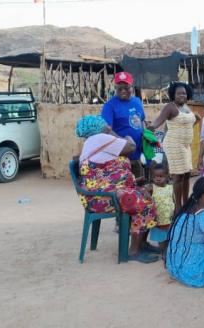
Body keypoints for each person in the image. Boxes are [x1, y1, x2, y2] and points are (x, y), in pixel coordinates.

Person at [75, 115, 158, 264]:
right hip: (103, 198)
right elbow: (131, 147)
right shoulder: (100, 137)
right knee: (141, 200)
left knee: (146, 192)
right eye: (104, 123)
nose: (108, 125)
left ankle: (141, 244)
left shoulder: (92, 141)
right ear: (99, 127)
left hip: (99, 196)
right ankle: (133, 251)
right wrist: (113, 132)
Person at [148, 81, 199, 211]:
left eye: (184, 93)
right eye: (178, 93)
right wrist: (152, 126)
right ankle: (178, 207)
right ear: (173, 95)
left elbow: (190, 121)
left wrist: (194, 122)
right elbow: (159, 120)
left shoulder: (186, 107)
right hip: (173, 144)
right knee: (178, 175)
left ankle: (186, 202)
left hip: (185, 145)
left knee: (187, 174)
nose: (182, 95)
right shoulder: (170, 107)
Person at [101, 72, 146, 179]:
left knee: (139, 186)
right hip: (121, 158)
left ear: (132, 87)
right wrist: (124, 142)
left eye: (126, 87)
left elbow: (142, 120)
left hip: (138, 156)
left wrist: (145, 135)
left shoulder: (137, 102)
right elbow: (106, 130)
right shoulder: (109, 106)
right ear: (115, 88)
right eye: (119, 88)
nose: (123, 91)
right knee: (124, 189)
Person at [147, 163, 174, 254]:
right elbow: (145, 194)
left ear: (167, 176)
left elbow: (173, 201)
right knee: (161, 240)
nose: (157, 178)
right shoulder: (152, 188)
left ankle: (168, 253)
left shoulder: (170, 188)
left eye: (160, 176)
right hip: (157, 220)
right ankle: (163, 253)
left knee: (170, 238)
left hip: (169, 219)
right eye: (155, 176)